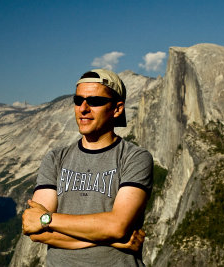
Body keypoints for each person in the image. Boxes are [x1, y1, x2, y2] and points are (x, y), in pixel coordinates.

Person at [22, 69, 153, 266]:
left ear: (117, 109)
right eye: (78, 100)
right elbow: (35, 230)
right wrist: (114, 240)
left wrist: (47, 218)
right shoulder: (55, 158)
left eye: (95, 101)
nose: (83, 108)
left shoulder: (135, 158)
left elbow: (116, 225)